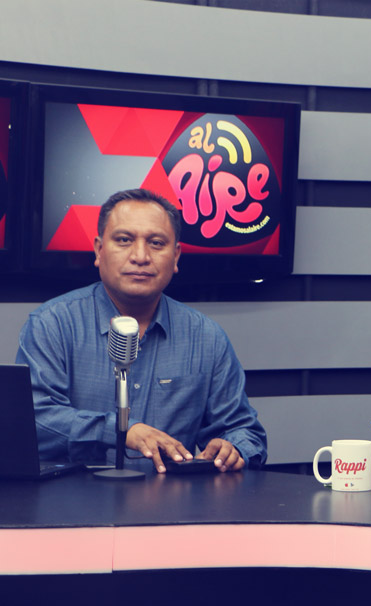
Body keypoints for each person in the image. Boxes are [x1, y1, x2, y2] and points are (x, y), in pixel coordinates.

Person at [16, 188, 267, 473]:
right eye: (124, 240)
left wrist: (233, 448)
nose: (140, 256)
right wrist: (120, 430)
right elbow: (35, 421)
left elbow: (245, 431)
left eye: (156, 243)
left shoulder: (206, 337)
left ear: (176, 256)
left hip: (171, 498)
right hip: (73, 497)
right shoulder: (52, 324)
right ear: (99, 250)